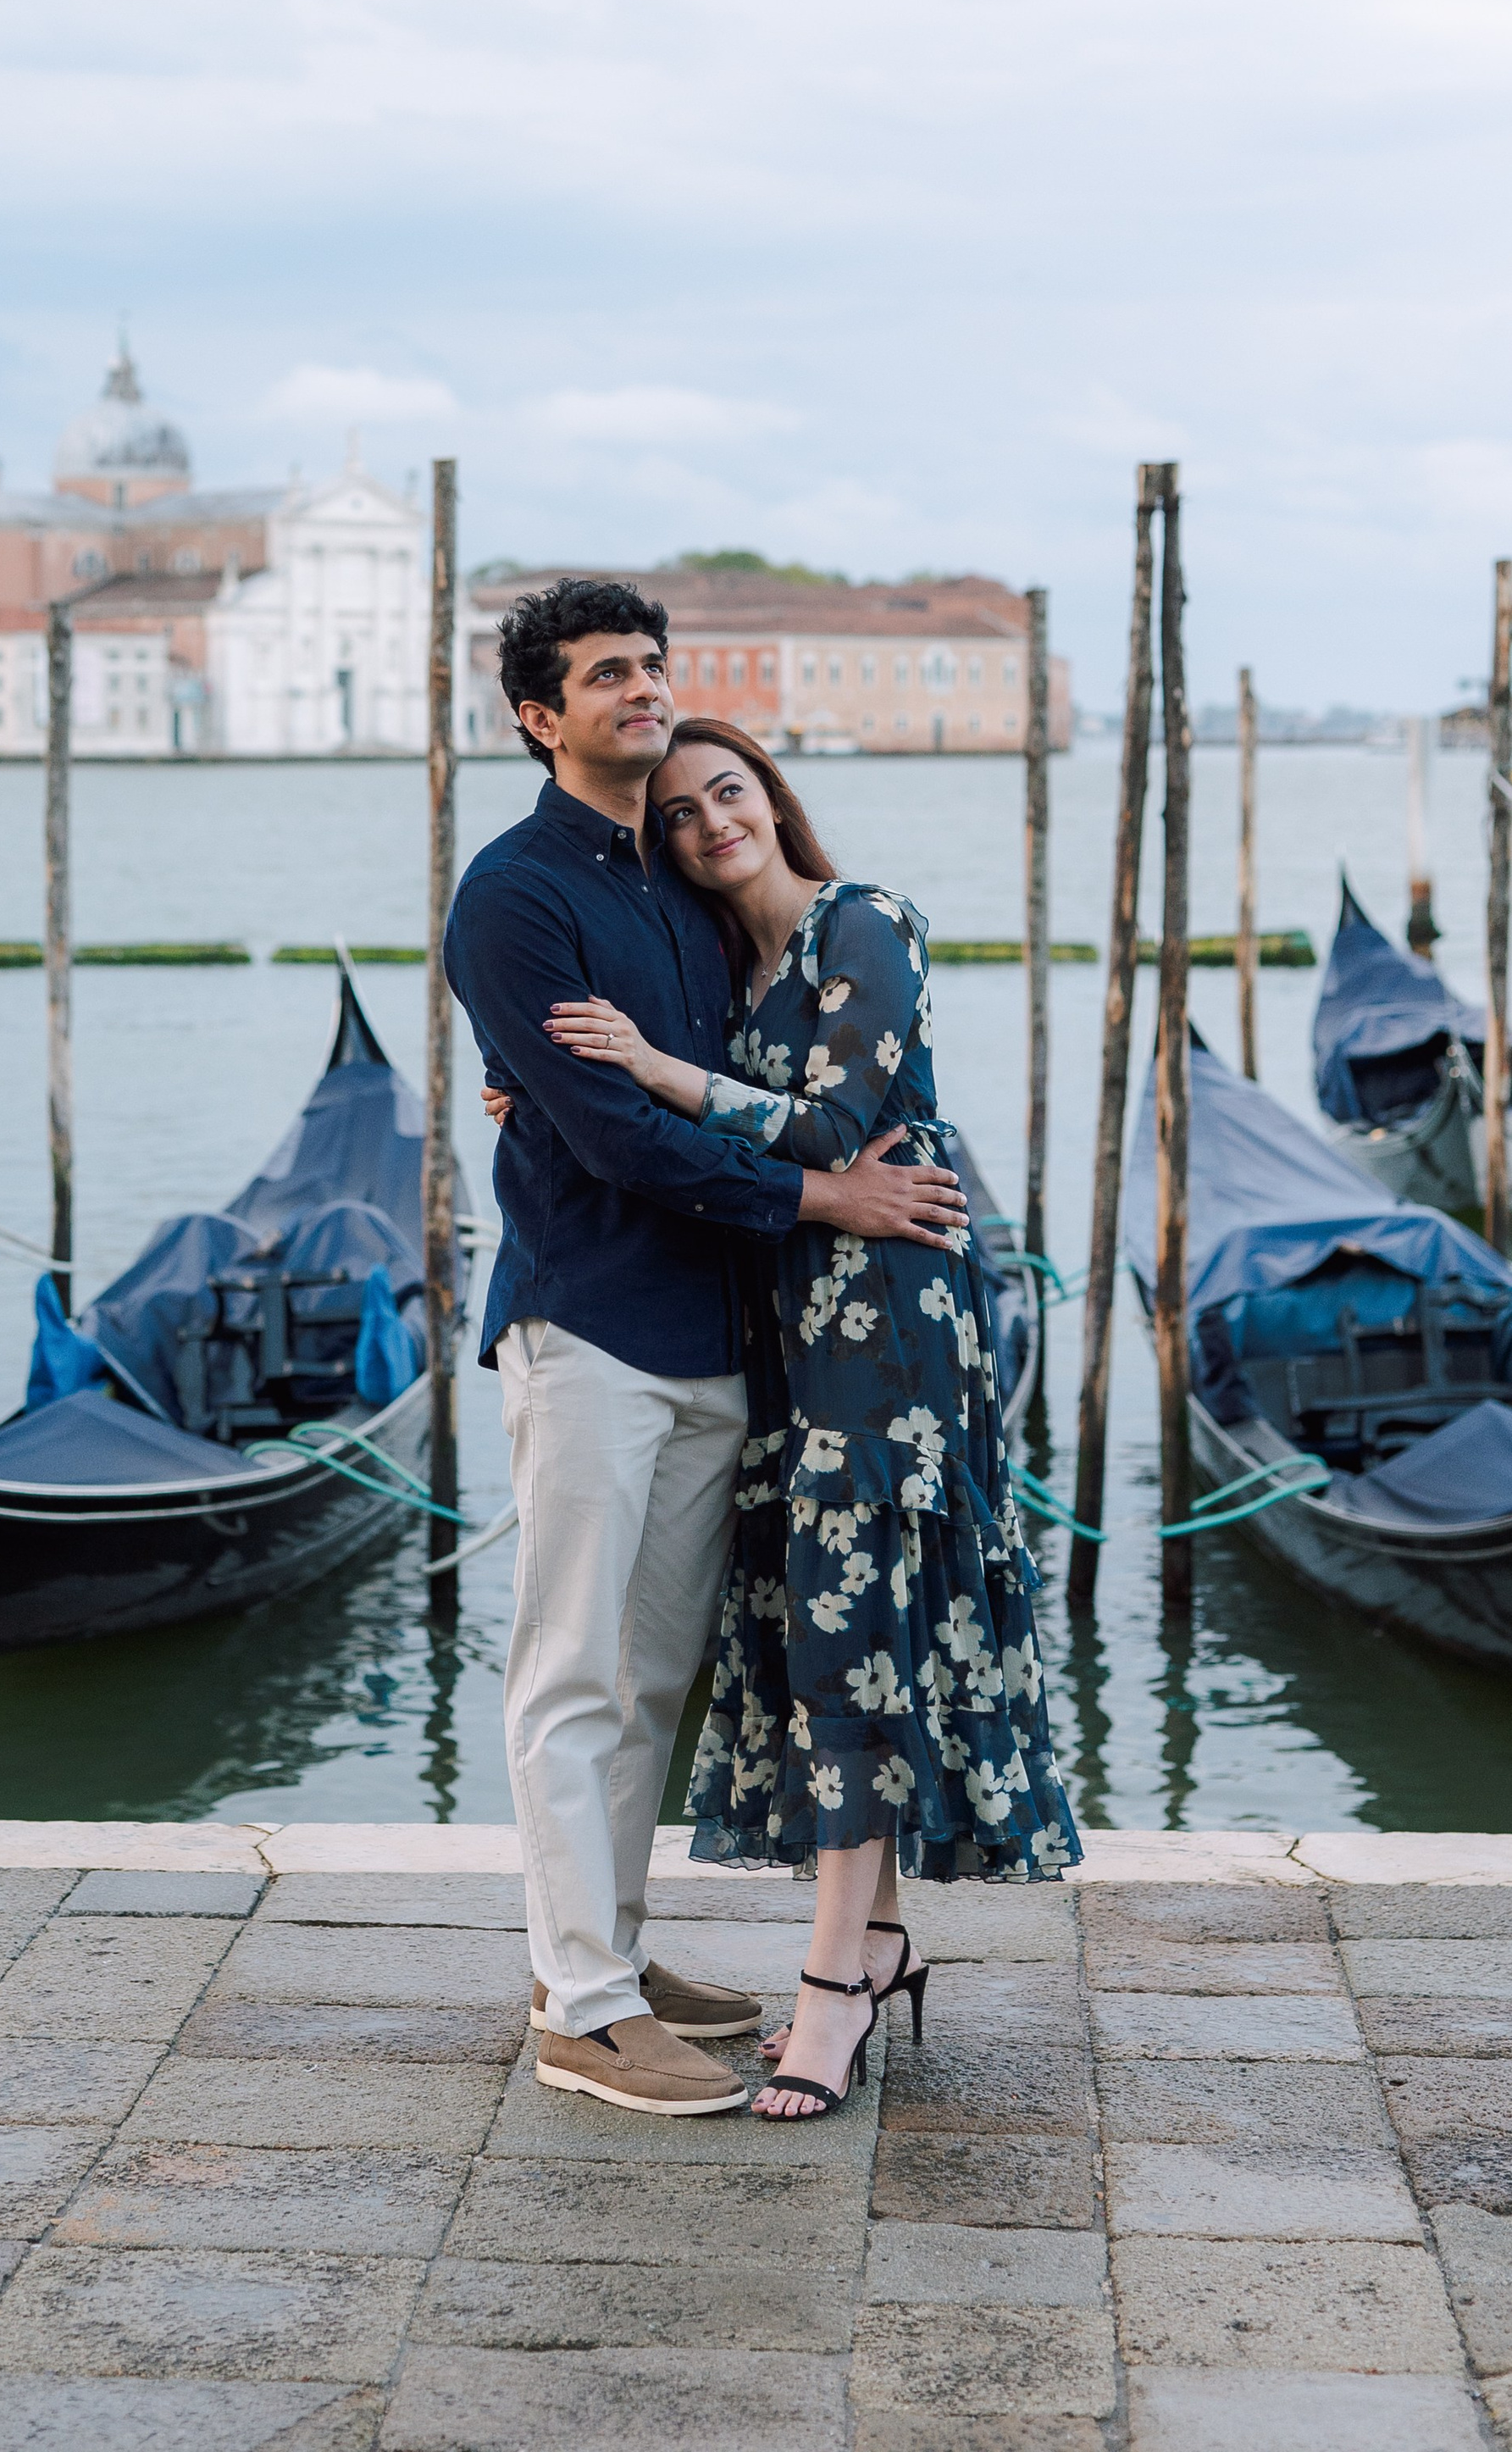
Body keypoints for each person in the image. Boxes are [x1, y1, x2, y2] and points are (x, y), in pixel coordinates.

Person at [442, 583, 971, 2121]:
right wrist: (826, 1192)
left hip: (722, 1338)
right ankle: (584, 2009)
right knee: (573, 1672)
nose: (644, 691)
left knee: (653, 1677)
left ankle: (597, 1953)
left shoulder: (676, 874)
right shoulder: (514, 897)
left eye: (654, 668)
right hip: (594, 1322)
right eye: (609, 675)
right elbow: (614, 1135)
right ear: (539, 716)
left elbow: (729, 1073)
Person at [540, 713, 1081, 2123]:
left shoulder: (866, 920)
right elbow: (715, 1127)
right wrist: (548, 1082)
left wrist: (656, 1072)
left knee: (858, 1622)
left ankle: (834, 1984)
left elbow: (836, 1131)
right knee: (837, 1620)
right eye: (677, 815)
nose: (710, 821)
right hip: (788, 1331)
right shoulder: (735, 972)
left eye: (729, 793)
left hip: (893, 1331)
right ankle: (880, 1934)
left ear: (771, 801)